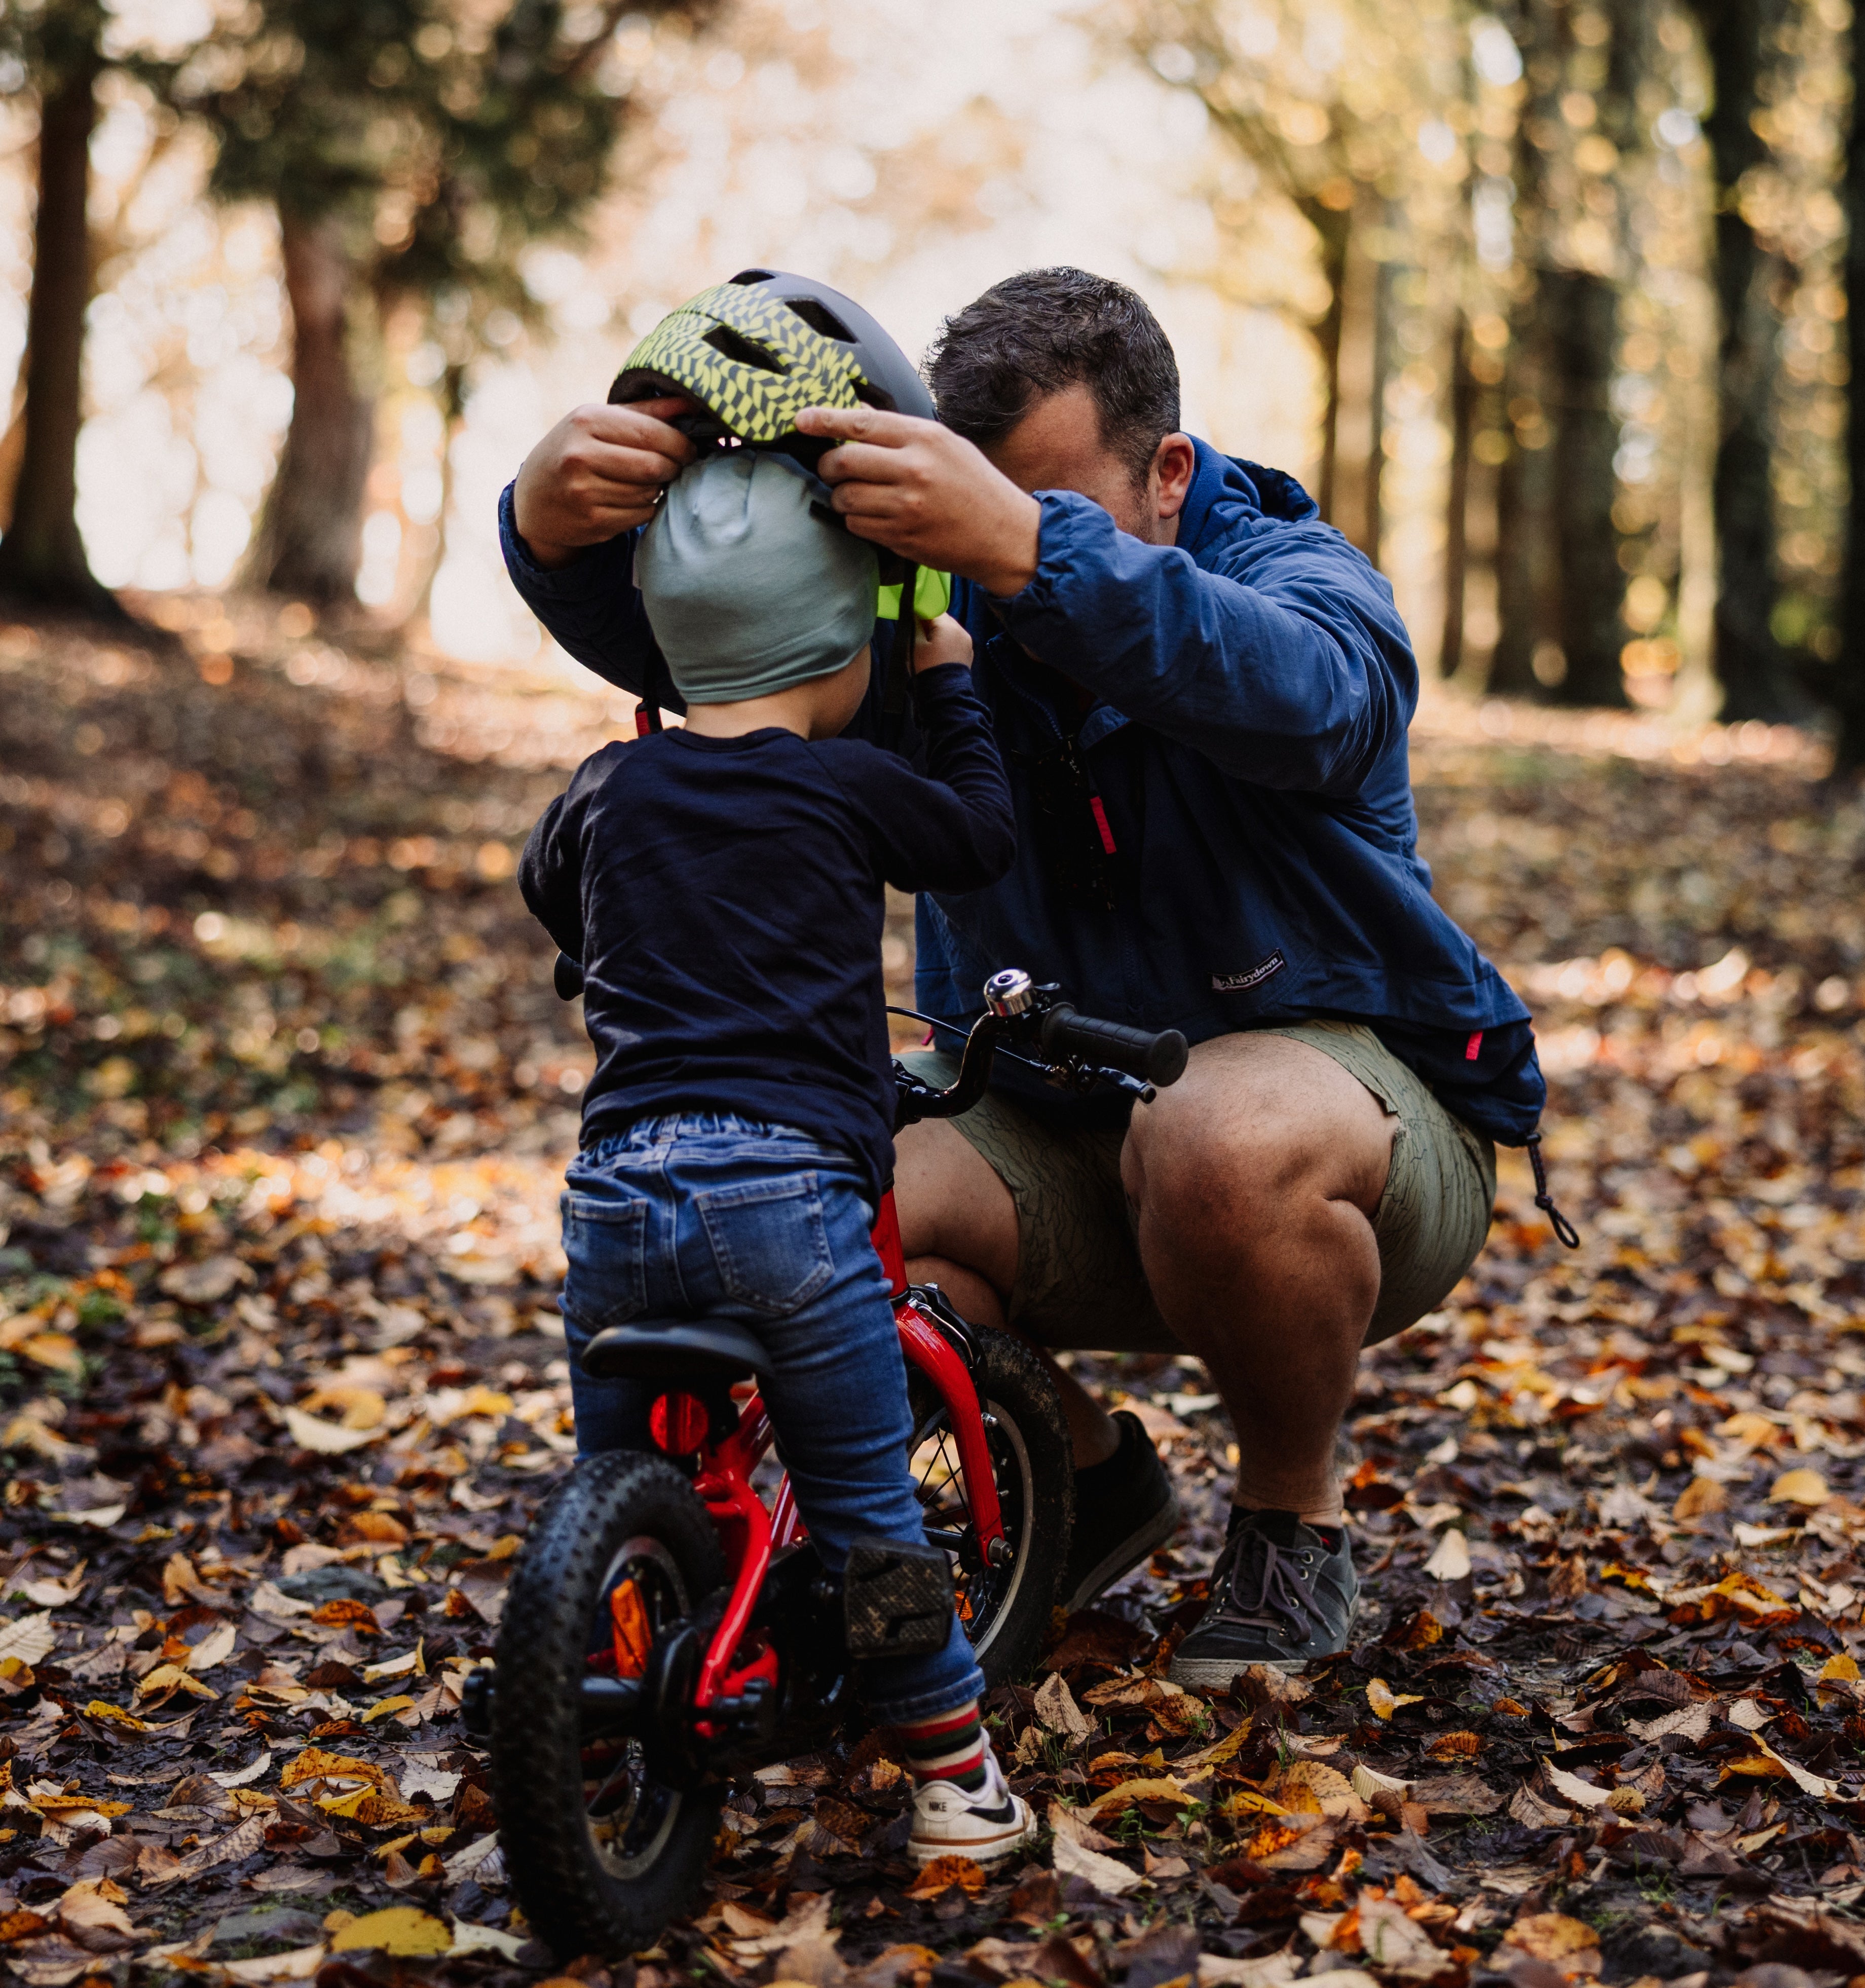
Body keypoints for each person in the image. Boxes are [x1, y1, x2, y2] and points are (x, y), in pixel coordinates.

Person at [502, 267, 1550, 1690]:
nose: (991, 550)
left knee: (1215, 1134)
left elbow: (1316, 698)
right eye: (968, 504)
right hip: (1042, 1099)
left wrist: (1025, 548)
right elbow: (733, 653)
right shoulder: (941, 612)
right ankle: (1083, 1475)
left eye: (1048, 501)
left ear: (1167, 471)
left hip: (1350, 1125)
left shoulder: (1292, 578)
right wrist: (546, 534)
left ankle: (1290, 1518)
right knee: (819, 1202)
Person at [516, 430, 1030, 1863]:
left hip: (615, 1198)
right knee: (871, 1510)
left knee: (623, 1487)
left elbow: (543, 877)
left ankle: (612, 1700)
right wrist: (948, 687)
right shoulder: (845, 784)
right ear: (838, 642)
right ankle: (953, 1778)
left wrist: (603, 942)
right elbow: (979, 836)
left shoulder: (610, 787)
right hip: (790, 1202)